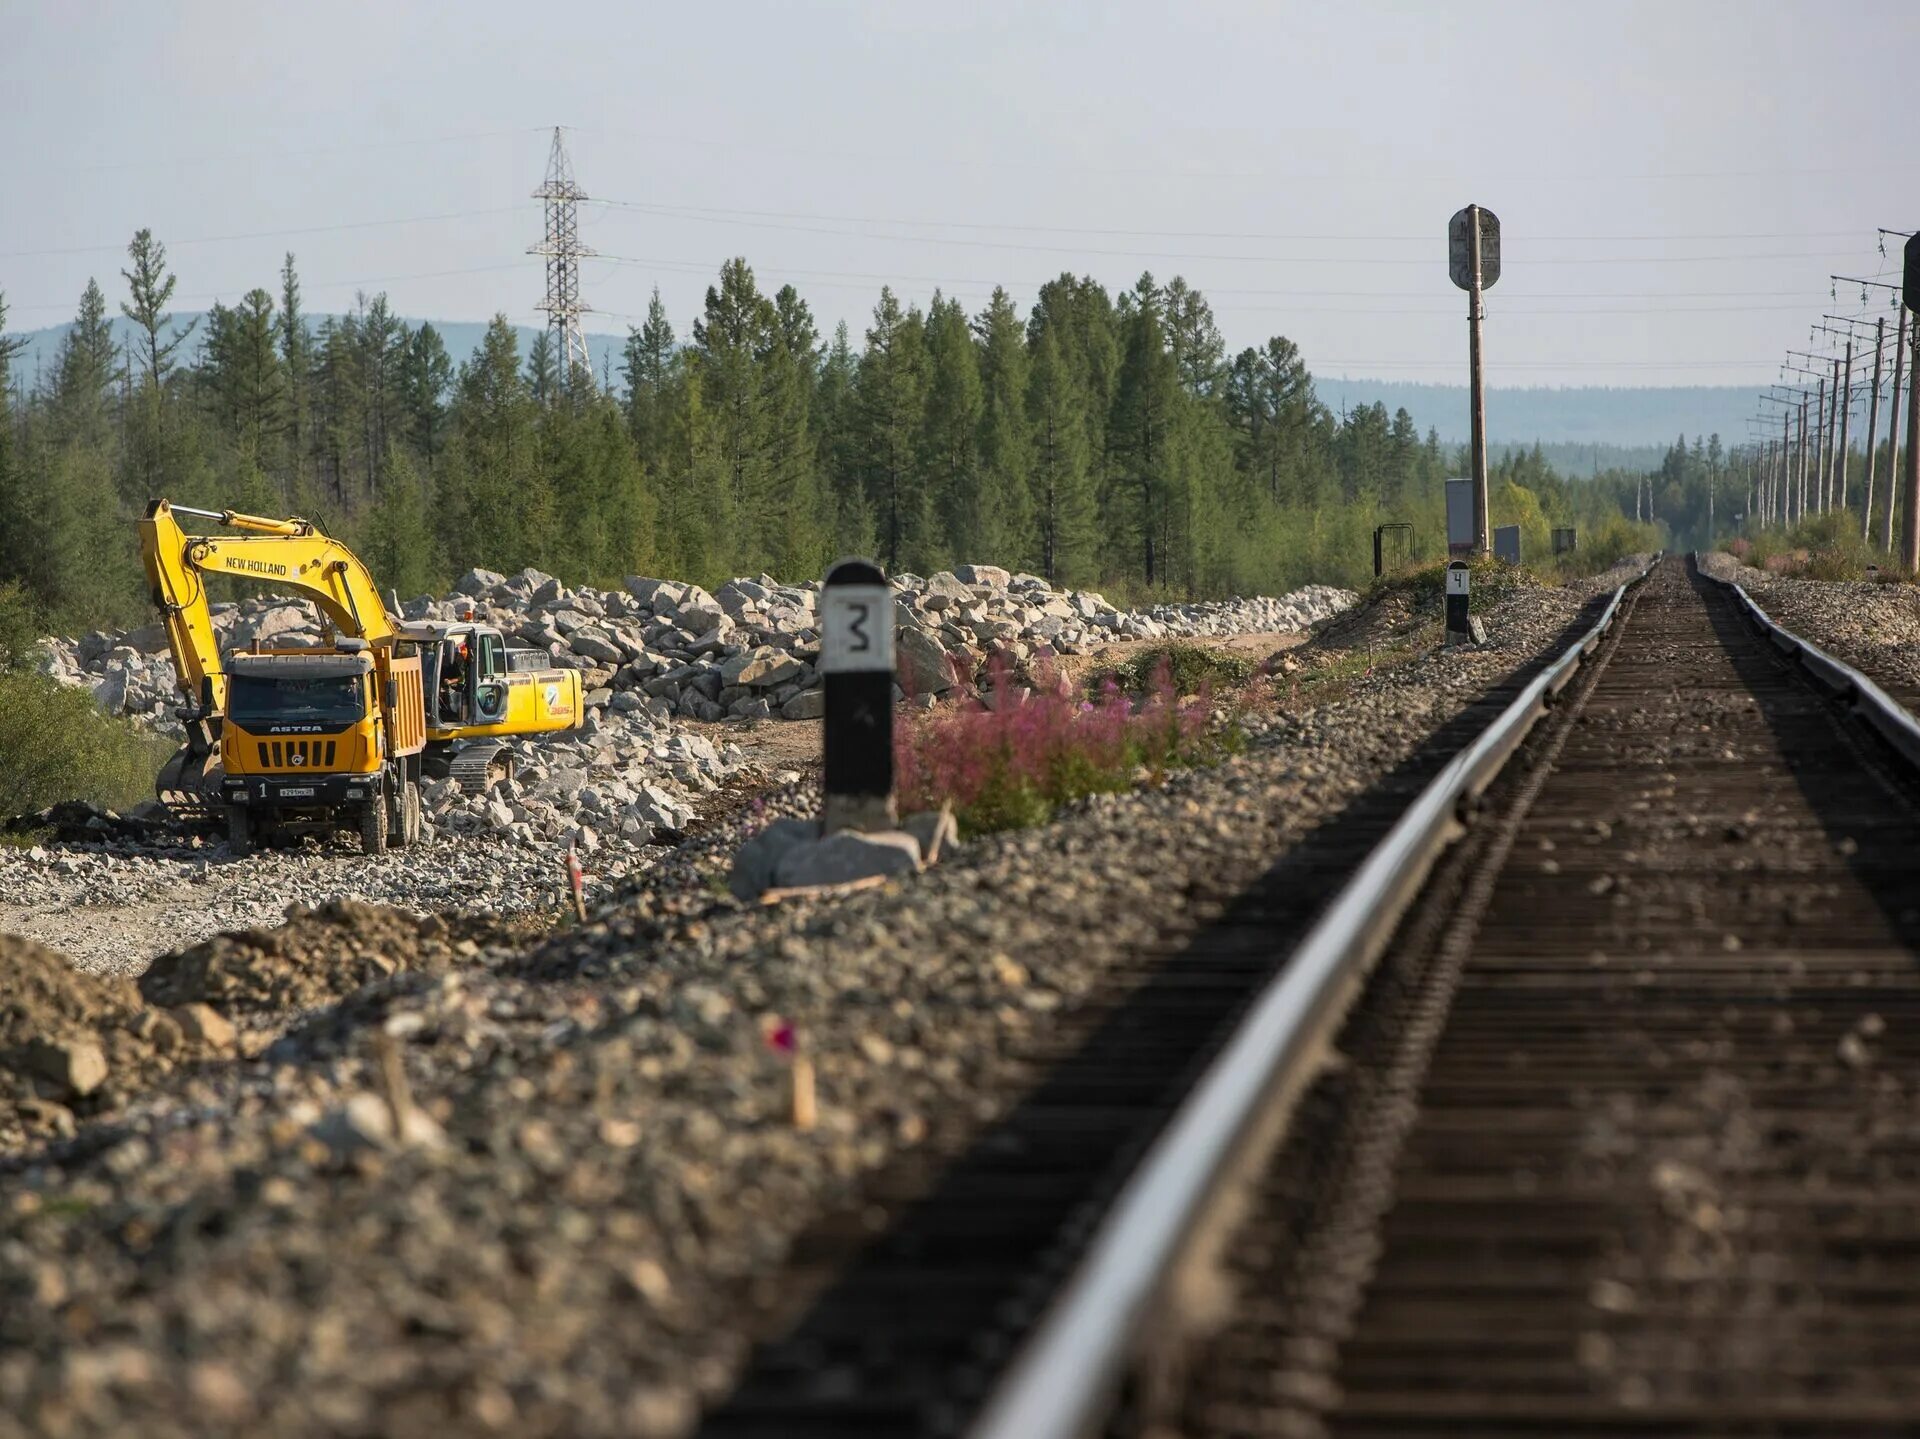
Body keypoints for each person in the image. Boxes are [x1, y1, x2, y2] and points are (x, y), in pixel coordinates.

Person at [439, 636, 469, 721]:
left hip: (452, 688)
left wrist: (450, 681)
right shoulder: (435, 661)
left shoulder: (453, 664)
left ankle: (457, 717)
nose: (459, 657)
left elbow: (460, 678)